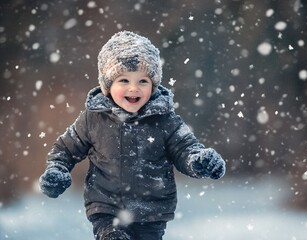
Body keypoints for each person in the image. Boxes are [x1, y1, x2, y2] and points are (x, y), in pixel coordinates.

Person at [39, 31, 226, 240]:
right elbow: (65, 148)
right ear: (108, 86)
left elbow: (185, 148)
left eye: (143, 81)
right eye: (124, 80)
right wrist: (57, 170)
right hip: (106, 209)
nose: (134, 88)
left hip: (151, 212)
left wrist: (199, 161)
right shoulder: (94, 118)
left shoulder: (165, 120)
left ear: (154, 85)